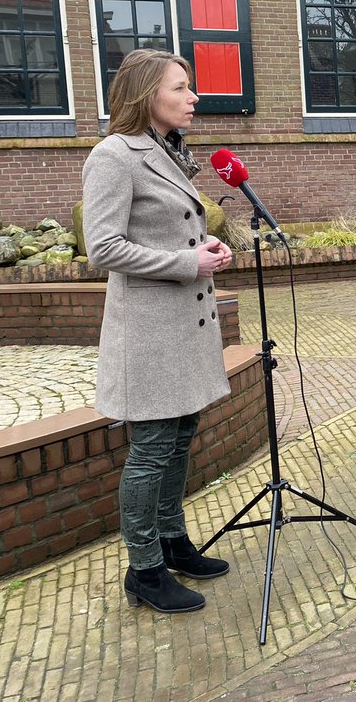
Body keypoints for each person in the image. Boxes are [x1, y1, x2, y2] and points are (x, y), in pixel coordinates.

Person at [82, 49, 235, 614]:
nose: (193, 97)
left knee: (180, 438)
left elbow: (168, 230)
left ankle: (173, 541)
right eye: (180, 87)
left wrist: (203, 247)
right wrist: (186, 262)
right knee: (150, 450)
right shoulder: (113, 156)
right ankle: (144, 570)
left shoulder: (168, 151)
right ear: (147, 94)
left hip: (183, 328)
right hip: (149, 333)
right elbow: (103, 248)